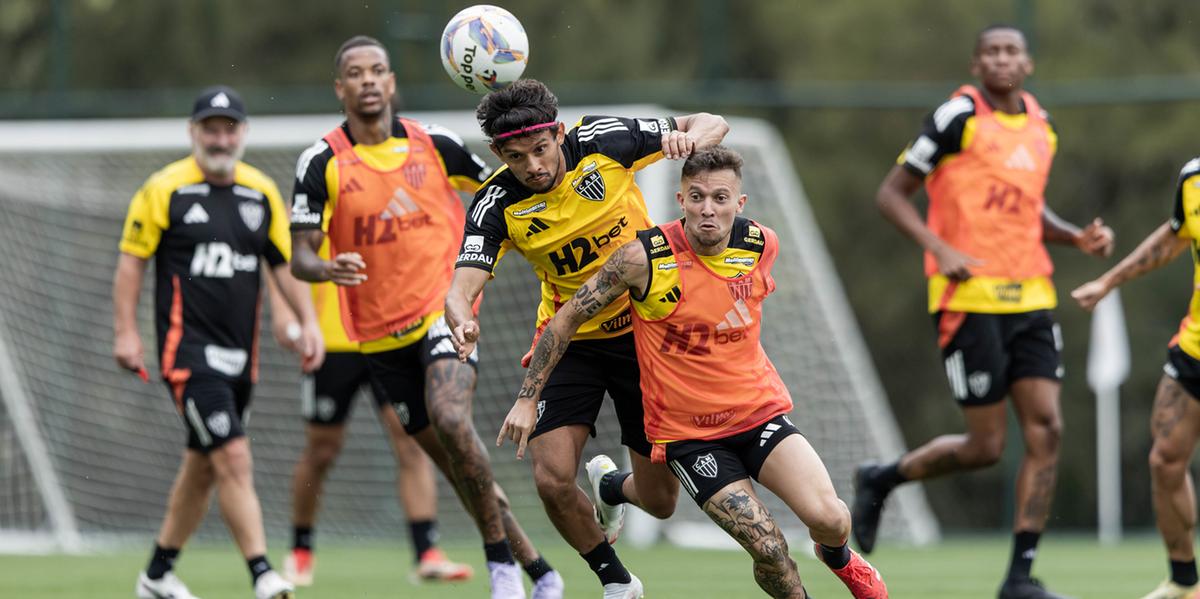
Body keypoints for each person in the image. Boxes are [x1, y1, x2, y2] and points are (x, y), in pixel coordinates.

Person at [499, 146, 888, 599]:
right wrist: (528, 396)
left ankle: (839, 558)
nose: (708, 209)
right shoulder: (640, 259)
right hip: (690, 437)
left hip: (758, 414)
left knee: (832, 519)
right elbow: (565, 319)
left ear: (738, 205)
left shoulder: (761, 244)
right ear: (680, 199)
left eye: (720, 198)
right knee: (769, 548)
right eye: (697, 197)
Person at [288, 36, 559, 599]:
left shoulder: (434, 144)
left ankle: (500, 573)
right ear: (341, 88)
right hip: (376, 336)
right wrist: (325, 268)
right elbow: (301, 257)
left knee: (454, 421)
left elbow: (502, 188)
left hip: (444, 312)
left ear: (391, 83)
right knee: (462, 467)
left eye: (377, 71)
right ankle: (539, 573)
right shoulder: (321, 162)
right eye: (355, 73)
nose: (367, 80)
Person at [856, 24, 1114, 599]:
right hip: (967, 300)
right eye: (991, 51)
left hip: (1032, 296)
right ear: (977, 63)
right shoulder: (956, 117)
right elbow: (891, 193)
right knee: (986, 448)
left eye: (1012, 51)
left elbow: (1027, 209)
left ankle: (1020, 578)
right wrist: (939, 248)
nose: (1002, 59)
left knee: (1048, 428)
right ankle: (884, 477)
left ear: (1028, 63)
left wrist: (1076, 238)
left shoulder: (1042, 127)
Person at [445, 78, 728, 598]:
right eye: (515, 156)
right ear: (497, 154)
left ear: (558, 133)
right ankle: (616, 581)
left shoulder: (604, 140)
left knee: (661, 501)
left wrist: (687, 138)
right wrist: (461, 317)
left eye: (540, 148)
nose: (532, 165)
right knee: (551, 478)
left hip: (646, 335)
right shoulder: (495, 204)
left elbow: (711, 123)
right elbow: (460, 289)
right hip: (568, 340)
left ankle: (610, 486)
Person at [114, 85, 323, 599]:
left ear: (243, 134)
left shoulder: (259, 192)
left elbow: (284, 264)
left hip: (240, 361)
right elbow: (131, 262)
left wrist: (309, 323)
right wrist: (126, 332)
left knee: (203, 467)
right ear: (193, 133)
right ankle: (262, 573)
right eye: (211, 127)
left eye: (230, 128)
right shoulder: (165, 189)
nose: (221, 137)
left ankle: (157, 575)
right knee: (232, 456)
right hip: (187, 355)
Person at [268, 261, 472, 585]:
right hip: (330, 340)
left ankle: (426, 552)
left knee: (412, 441)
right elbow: (282, 255)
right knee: (321, 451)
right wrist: (284, 312)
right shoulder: (311, 209)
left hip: (388, 334)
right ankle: (300, 550)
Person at [1071, 158, 1200, 599]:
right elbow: (1173, 236)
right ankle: (1184, 583)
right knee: (1165, 460)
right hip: (1195, 350)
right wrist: (1108, 282)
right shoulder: (1193, 178)